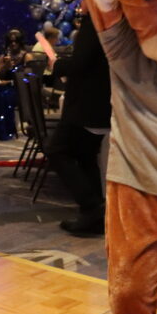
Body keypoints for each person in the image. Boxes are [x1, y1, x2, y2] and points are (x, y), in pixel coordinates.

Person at [45, 16, 111, 236]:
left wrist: (58, 64)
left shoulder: (95, 21)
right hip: (102, 101)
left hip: (85, 103)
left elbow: (81, 62)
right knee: (86, 156)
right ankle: (92, 215)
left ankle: (93, 207)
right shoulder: (114, 21)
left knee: (57, 151)